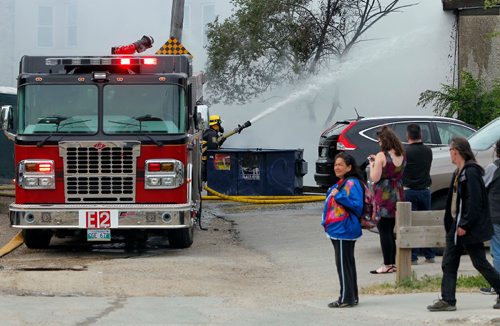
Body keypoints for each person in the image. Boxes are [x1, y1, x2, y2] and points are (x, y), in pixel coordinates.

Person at [427, 137, 500, 311]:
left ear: (456, 151)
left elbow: (474, 202)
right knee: (449, 262)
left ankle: (448, 300)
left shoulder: (471, 172)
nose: (449, 153)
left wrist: (465, 225)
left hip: (466, 227)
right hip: (457, 225)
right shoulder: (459, 171)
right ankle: (448, 300)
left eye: (450, 149)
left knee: (480, 263)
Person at [321, 153, 364, 308]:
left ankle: (346, 298)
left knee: (343, 264)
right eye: (335, 164)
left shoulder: (352, 183)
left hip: (344, 229)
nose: (336, 167)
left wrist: (339, 196)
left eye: (340, 164)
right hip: (339, 229)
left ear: (349, 167)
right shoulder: (344, 182)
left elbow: (357, 206)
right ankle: (352, 296)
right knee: (347, 263)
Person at [368, 125, 405, 274]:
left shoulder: (382, 156)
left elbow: (374, 177)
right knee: (391, 230)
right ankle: (393, 264)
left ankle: (387, 264)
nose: (379, 143)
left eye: (379, 140)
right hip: (398, 194)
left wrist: (372, 163)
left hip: (384, 196)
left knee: (384, 230)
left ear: (385, 140)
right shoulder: (402, 153)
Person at [403, 124, 435, 265]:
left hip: (409, 191)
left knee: (412, 224)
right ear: (420, 134)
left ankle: (413, 257)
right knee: (425, 223)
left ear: (408, 135)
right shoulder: (428, 151)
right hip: (425, 190)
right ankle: (429, 255)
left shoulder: (406, 152)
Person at [480, 138, 500, 295]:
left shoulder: (493, 168)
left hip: (496, 214)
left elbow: (482, 186)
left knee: (497, 251)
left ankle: (497, 284)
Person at [202, 115, 225, 181]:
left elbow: (213, 144)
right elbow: (213, 148)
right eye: (219, 123)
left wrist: (221, 141)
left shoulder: (209, 133)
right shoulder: (212, 134)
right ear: (216, 124)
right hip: (207, 162)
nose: (220, 126)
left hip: (205, 162)